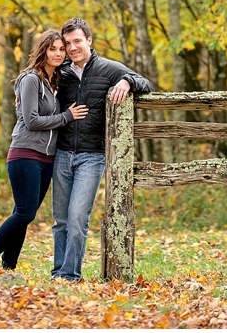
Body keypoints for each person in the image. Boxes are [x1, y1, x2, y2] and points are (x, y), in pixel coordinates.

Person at [0, 30, 88, 271]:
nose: (58, 53)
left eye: (61, 49)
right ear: (42, 50)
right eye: (52, 48)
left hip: (47, 159)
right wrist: (67, 116)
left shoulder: (55, 82)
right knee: (25, 214)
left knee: (24, 212)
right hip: (25, 153)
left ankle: (8, 267)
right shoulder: (30, 79)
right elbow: (32, 120)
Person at [51, 17, 152, 281]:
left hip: (92, 157)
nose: (72, 48)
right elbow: (33, 79)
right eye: (68, 43)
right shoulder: (60, 71)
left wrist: (127, 82)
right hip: (61, 154)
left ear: (89, 41)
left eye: (77, 41)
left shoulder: (108, 69)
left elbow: (146, 83)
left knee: (76, 219)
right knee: (60, 220)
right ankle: (58, 272)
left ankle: (70, 275)